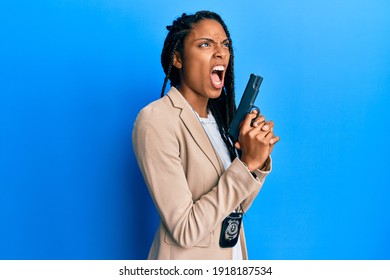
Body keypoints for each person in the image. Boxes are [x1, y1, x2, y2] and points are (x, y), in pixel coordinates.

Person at [132, 10, 280, 260]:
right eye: (205, 44)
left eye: (225, 44)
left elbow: (235, 207)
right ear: (178, 58)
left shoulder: (220, 124)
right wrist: (245, 165)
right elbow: (185, 229)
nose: (221, 51)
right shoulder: (157, 119)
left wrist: (256, 161)